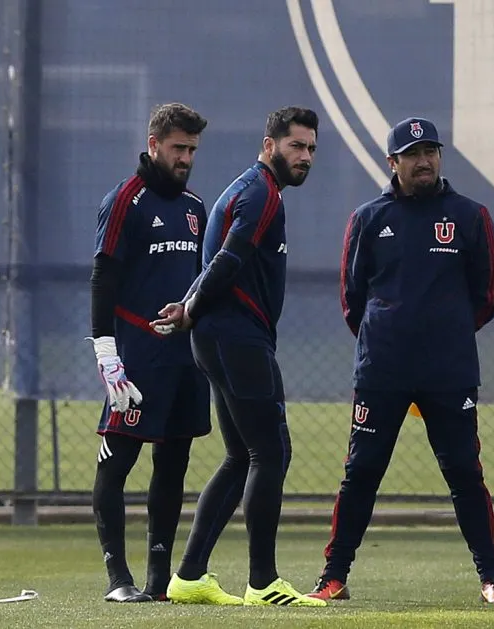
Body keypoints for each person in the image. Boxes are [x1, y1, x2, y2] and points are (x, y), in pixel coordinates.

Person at [307, 117, 494, 605]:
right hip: (383, 371)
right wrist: (389, 338)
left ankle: (492, 580)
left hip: (449, 372)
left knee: (464, 472)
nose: (424, 161)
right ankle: (333, 577)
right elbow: (353, 300)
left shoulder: (470, 216)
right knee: (362, 472)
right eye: (413, 153)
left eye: (431, 151)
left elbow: (486, 296)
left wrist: (446, 334)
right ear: (392, 162)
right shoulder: (368, 218)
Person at [150, 107, 327, 607]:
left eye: (312, 149)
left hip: (221, 336)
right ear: (270, 144)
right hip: (236, 338)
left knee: (240, 455)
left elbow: (217, 261)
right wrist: (191, 306)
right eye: (297, 146)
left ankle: (187, 577)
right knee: (271, 453)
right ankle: (263, 582)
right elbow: (228, 258)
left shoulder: (247, 188)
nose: (306, 157)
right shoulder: (261, 193)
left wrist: (190, 305)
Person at [88, 102, 211, 603]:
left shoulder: (196, 207)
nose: (185, 158)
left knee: (174, 465)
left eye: (192, 150)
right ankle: (119, 580)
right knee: (114, 467)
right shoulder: (124, 201)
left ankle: (159, 583)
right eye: (179, 148)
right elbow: (103, 277)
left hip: (186, 360)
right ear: (154, 143)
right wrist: (106, 352)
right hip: (137, 360)